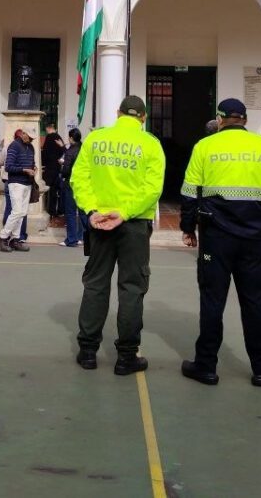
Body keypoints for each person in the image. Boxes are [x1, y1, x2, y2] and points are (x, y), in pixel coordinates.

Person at [180, 98, 261, 387]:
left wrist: (187, 227)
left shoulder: (205, 147)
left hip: (216, 238)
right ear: (245, 119)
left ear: (220, 120)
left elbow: (190, 192)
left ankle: (206, 366)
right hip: (255, 238)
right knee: (254, 301)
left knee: (212, 301)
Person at [71, 96, 165, 376]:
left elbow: (79, 178)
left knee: (96, 283)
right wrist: (124, 213)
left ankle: (88, 351)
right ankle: (126, 356)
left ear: (118, 113)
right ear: (143, 118)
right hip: (134, 225)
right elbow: (152, 188)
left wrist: (91, 211)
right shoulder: (150, 144)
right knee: (132, 288)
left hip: (100, 222)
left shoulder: (96, 139)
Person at [0, 128, 37, 252]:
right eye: (28, 136)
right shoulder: (14, 146)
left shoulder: (31, 147)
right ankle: (3, 237)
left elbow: (32, 163)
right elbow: (8, 166)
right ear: (23, 133)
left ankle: (15, 239)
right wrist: (24, 170)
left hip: (27, 183)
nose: (30, 139)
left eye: (32, 138)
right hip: (16, 183)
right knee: (17, 211)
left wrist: (33, 168)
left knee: (22, 212)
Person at [59, 128, 84, 247]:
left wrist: (62, 166)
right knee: (83, 211)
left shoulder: (70, 152)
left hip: (71, 182)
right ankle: (82, 236)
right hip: (83, 183)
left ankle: (71, 239)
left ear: (71, 138)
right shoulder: (84, 149)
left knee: (70, 212)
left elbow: (66, 170)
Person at [41, 123, 65, 216]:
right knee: (54, 191)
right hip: (58, 167)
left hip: (49, 168)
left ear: (48, 128)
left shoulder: (49, 138)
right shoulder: (59, 137)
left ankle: (48, 210)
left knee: (47, 190)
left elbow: (45, 153)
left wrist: (43, 163)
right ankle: (53, 211)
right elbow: (62, 152)